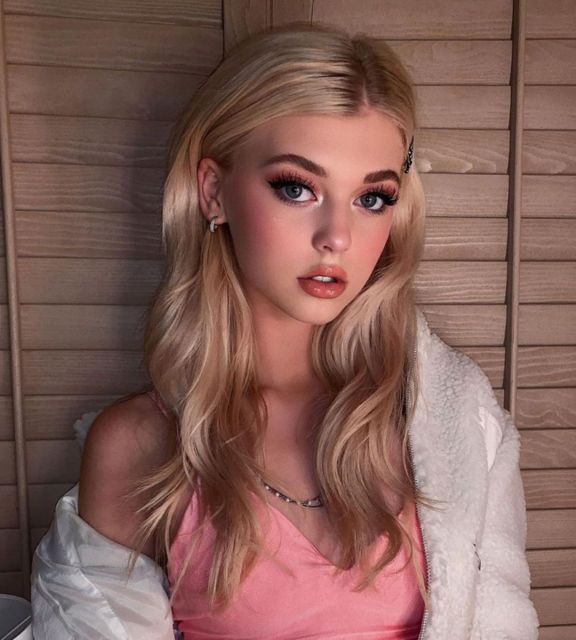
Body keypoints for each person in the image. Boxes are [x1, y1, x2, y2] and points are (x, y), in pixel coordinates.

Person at [31, 23, 538, 639]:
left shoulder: (456, 419)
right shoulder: (143, 446)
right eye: (297, 188)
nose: (337, 237)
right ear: (213, 192)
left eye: (372, 198)